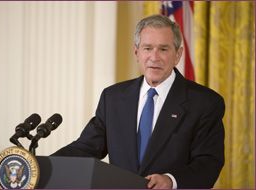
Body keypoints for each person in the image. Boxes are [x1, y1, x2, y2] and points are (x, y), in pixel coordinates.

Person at [52, 14, 225, 189]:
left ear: (178, 54)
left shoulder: (205, 103)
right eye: (147, 48)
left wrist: (171, 180)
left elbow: (209, 163)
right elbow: (86, 148)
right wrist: (40, 165)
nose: (154, 57)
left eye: (163, 49)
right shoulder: (113, 98)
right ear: (137, 52)